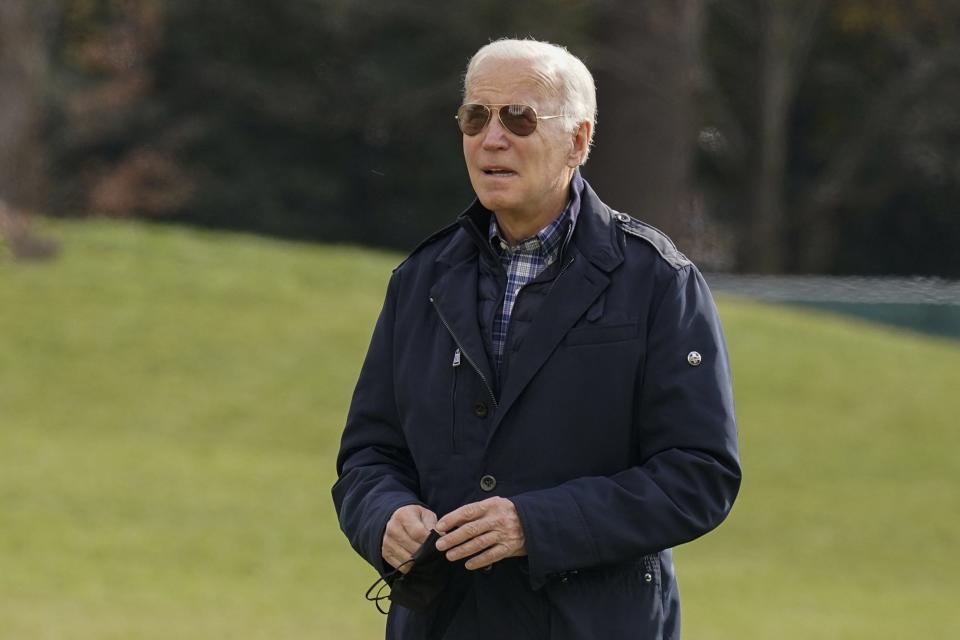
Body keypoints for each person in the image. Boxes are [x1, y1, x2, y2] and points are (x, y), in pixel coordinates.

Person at [333, 38, 741, 640]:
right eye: (476, 117)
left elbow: (699, 474)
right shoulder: (419, 280)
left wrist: (534, 524)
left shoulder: (658, 281)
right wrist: (383, 517)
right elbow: (369, 456)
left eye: (519, 118)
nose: (491, 138)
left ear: (578, 141)